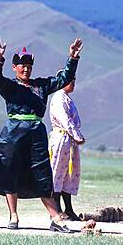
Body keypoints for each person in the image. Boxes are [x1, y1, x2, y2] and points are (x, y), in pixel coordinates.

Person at [0, 36, 83, 232]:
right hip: (13, 135)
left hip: (36, 134)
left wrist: (72, 58)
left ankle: (55, 218)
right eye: (22, 65)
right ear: (15, 67)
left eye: (29, 65)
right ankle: (13, 216)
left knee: (43, 174)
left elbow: (63, 79)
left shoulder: (41, 85)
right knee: (10, 172)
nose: (26, 69)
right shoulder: (10, 87)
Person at [49, 74, 85, 221]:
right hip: (61, 139)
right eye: (70, 81)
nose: (73, 83)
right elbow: (65, 119)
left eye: (74, 80)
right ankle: (56, 209)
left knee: (68, 175)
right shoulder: (58, 98)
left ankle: (68, 209)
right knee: (58, 173)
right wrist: (76, 135)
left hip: (69, 141)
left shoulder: (66, 98)